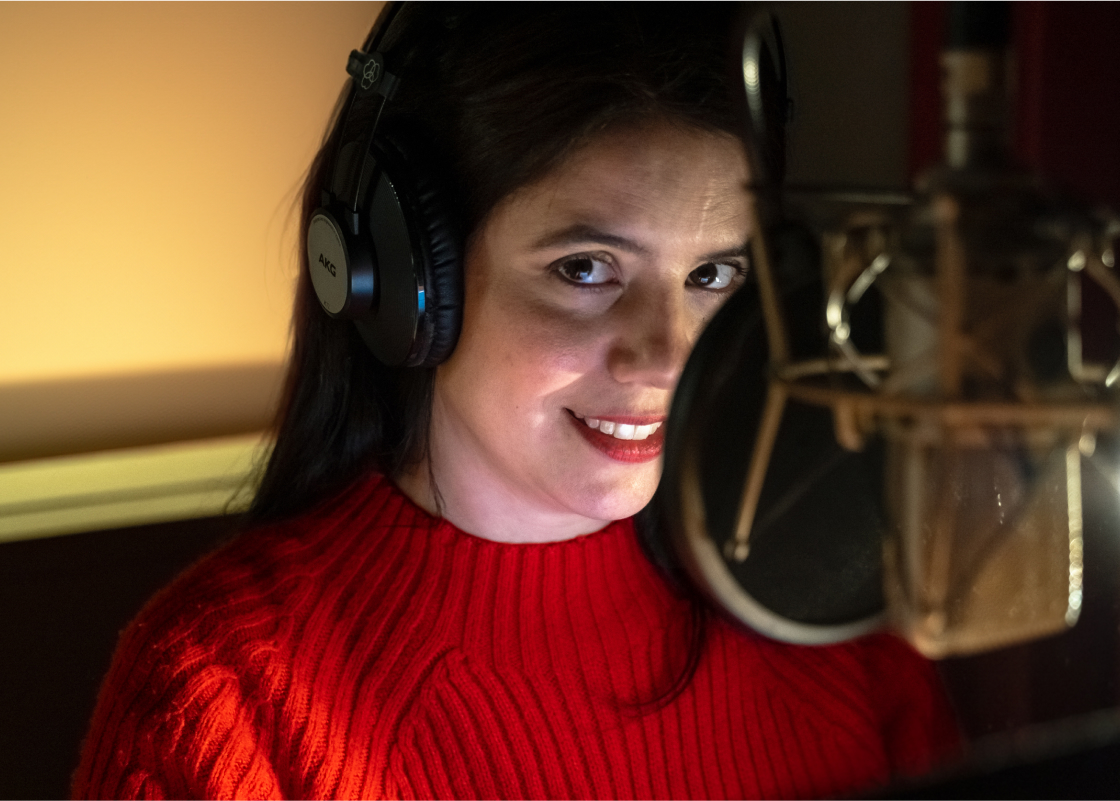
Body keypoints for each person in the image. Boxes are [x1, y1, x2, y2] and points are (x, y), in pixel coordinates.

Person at [73, 4, 959, 798]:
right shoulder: (220, 695)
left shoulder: (829, 614)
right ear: (412, 279)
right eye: (585, 269)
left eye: (712, 275)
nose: (668, 354)